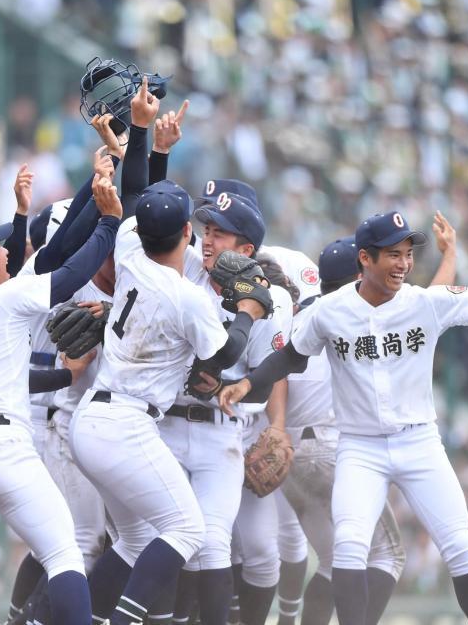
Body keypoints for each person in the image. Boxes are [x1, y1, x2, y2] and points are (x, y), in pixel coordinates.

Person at [219, 212, 468, 625]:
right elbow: (289, 358)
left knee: (460, 547)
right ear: (364, 259)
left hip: (419, 442)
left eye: (407, 254)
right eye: (393, 255)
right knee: (350, 547)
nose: (403, 263)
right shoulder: (330, 311)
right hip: (360, 446)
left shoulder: (424, 302)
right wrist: (247, 385)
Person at [69, 178, 269, 625]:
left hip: (94, 418)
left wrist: (141, 134)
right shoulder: (186, 296)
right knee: (188, 528)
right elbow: (225, 356)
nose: (205, 236)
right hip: (126, 423)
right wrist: (248, 313)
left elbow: (137, 193)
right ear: (186, 233)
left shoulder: (127, 249)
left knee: (135, 540)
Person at [0, 167, 122, 625]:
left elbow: (48, 254)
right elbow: (72, 270)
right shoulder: (3, 299)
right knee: (66, 555)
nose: (5, 252)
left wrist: (89, 185)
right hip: (1, 444)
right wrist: (110, 222)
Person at [275, 211, 454, 625]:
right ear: (361, 267)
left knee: (333, 562)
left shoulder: (301, 320)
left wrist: (271, 428)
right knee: (388, 555)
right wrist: (451, 254)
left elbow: (277, 369)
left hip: (290, 459)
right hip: (332, 448)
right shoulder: (356, 317)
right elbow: (432, 304)